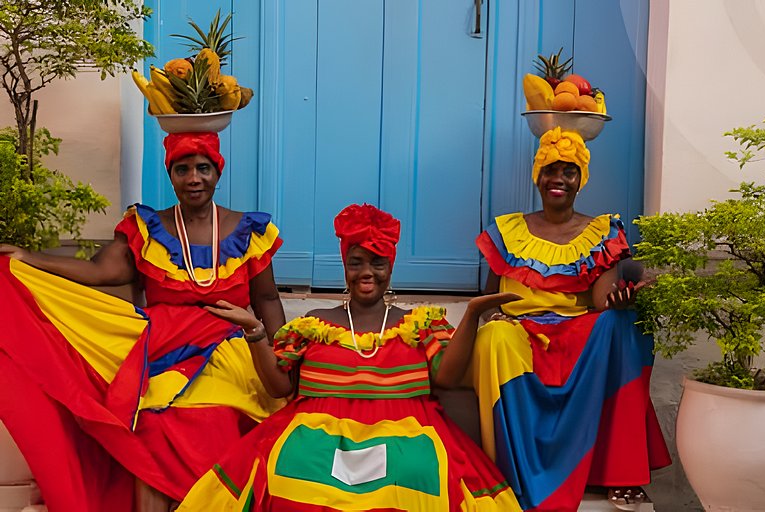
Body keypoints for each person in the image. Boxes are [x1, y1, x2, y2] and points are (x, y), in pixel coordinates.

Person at [0, 132, 287, 512]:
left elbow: (266, 298)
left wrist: (282, 353)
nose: (194, 178)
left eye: (203, 168)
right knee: (148, 426)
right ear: (171, 176)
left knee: (213, 419)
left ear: (218, 171)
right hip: (162, 351)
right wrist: (31, 259)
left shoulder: (248, 232)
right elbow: (100, 270)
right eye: (182, 169)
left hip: (229, 352)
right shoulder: (147, 229)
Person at [177, 203, 523, 511]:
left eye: (378, 263)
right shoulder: (314, 323)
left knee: (417, 473)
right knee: (292, 468)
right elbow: (278, 386)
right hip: (314, 432)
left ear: (391, 267)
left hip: (406, 433)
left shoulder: (420, 325)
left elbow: (447, 377)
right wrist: (255, 332)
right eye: (356, 263)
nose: (366, 272)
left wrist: (473, 313)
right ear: (344, 266)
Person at [471, 127, 671, 511]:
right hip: (520, 336)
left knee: (620, 325)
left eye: (569, 171)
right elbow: (488, 296)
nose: (558, 178)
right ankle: (510, 474)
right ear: (538, 176)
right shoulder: (507, 230)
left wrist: (621, 299)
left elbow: (601, 301)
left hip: (576, 334)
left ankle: (621, 474)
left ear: (581, 179)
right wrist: (496, 315)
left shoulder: (600, 231)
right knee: (494, 335)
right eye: (550, 169)